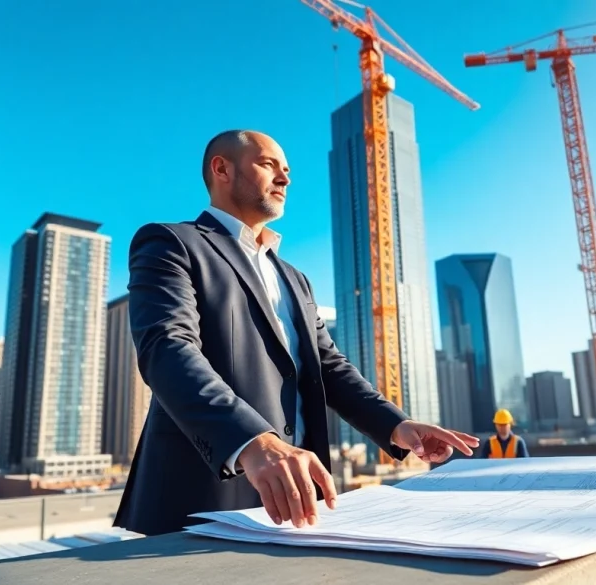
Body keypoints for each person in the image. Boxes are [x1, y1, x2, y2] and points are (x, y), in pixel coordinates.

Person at [114, 130, 480, 536]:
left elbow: (329, 367)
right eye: (269, 164)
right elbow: (167, 348)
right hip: (197, 505)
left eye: (287, 170)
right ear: (222, 168)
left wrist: (397, 426)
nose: (285, 178)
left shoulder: (295, 278)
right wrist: (257, 443)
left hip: (295, 506)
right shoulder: (171, 243)